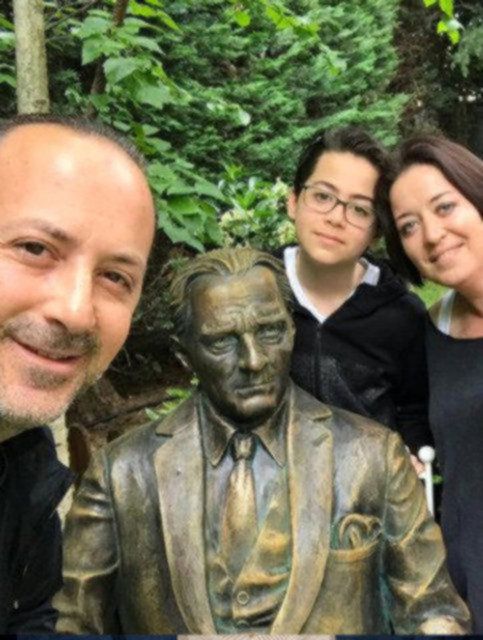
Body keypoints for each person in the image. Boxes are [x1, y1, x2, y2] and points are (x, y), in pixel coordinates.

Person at [55, 247, 469, 635]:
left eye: (270, 331)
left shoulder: (372, 454)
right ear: (185, 353)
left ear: (292, 329)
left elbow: (433, 611)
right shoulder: (121, 473)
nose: (253, 361)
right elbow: (74, 624)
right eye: (222, 341)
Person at [0, 115, 155, 633]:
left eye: (115, 277)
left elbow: (32, 618)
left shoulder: (25, 463)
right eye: (34, 249)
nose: (75, 311)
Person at [375, 134, 483, 632]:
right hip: (465, 590)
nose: (433, 235)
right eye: (409, 226)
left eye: (445, 207)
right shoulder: (431, 331)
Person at [277, 127, 432, 456]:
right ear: (293, 201)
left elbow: (413, 412)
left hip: (367, 483)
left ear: (376, 232)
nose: (336, 218)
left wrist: (413, 452)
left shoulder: (402, 317)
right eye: (322, 196)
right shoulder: (255, 289)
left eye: (360, 209)